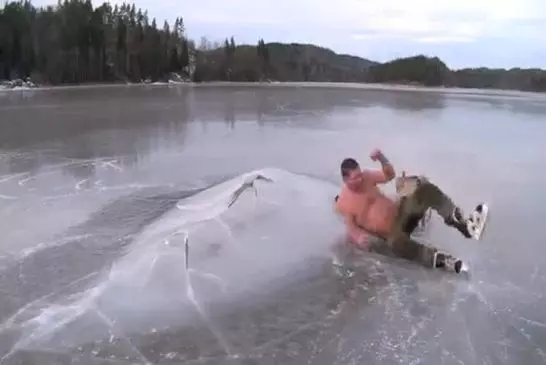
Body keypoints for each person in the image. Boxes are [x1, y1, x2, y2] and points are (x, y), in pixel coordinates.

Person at [334, 149, 485, 273]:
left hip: (402, 215)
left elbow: (389, 175)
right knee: (396, 244)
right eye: (355, 178)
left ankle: (464, 226)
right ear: (346, 179)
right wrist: (359, 238)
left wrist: (381, 158)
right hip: (393, 236)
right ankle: (443, 261)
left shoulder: (366, 176)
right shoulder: (344, 202)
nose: (360, 179)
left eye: (360, 175)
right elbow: (351, 228)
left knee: (424, 189)